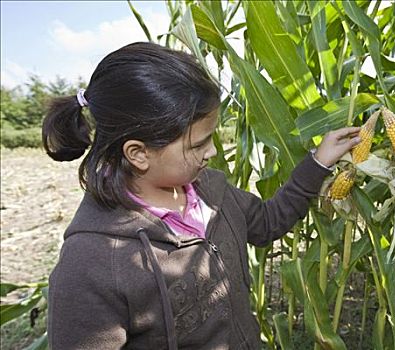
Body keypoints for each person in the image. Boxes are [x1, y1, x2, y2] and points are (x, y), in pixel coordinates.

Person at [43, 42, 361, 350]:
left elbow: (266, 222)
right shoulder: (92, 263)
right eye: (198, 145)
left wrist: (317, 163)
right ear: (138, 153)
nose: (212, 152)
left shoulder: (209, 192)